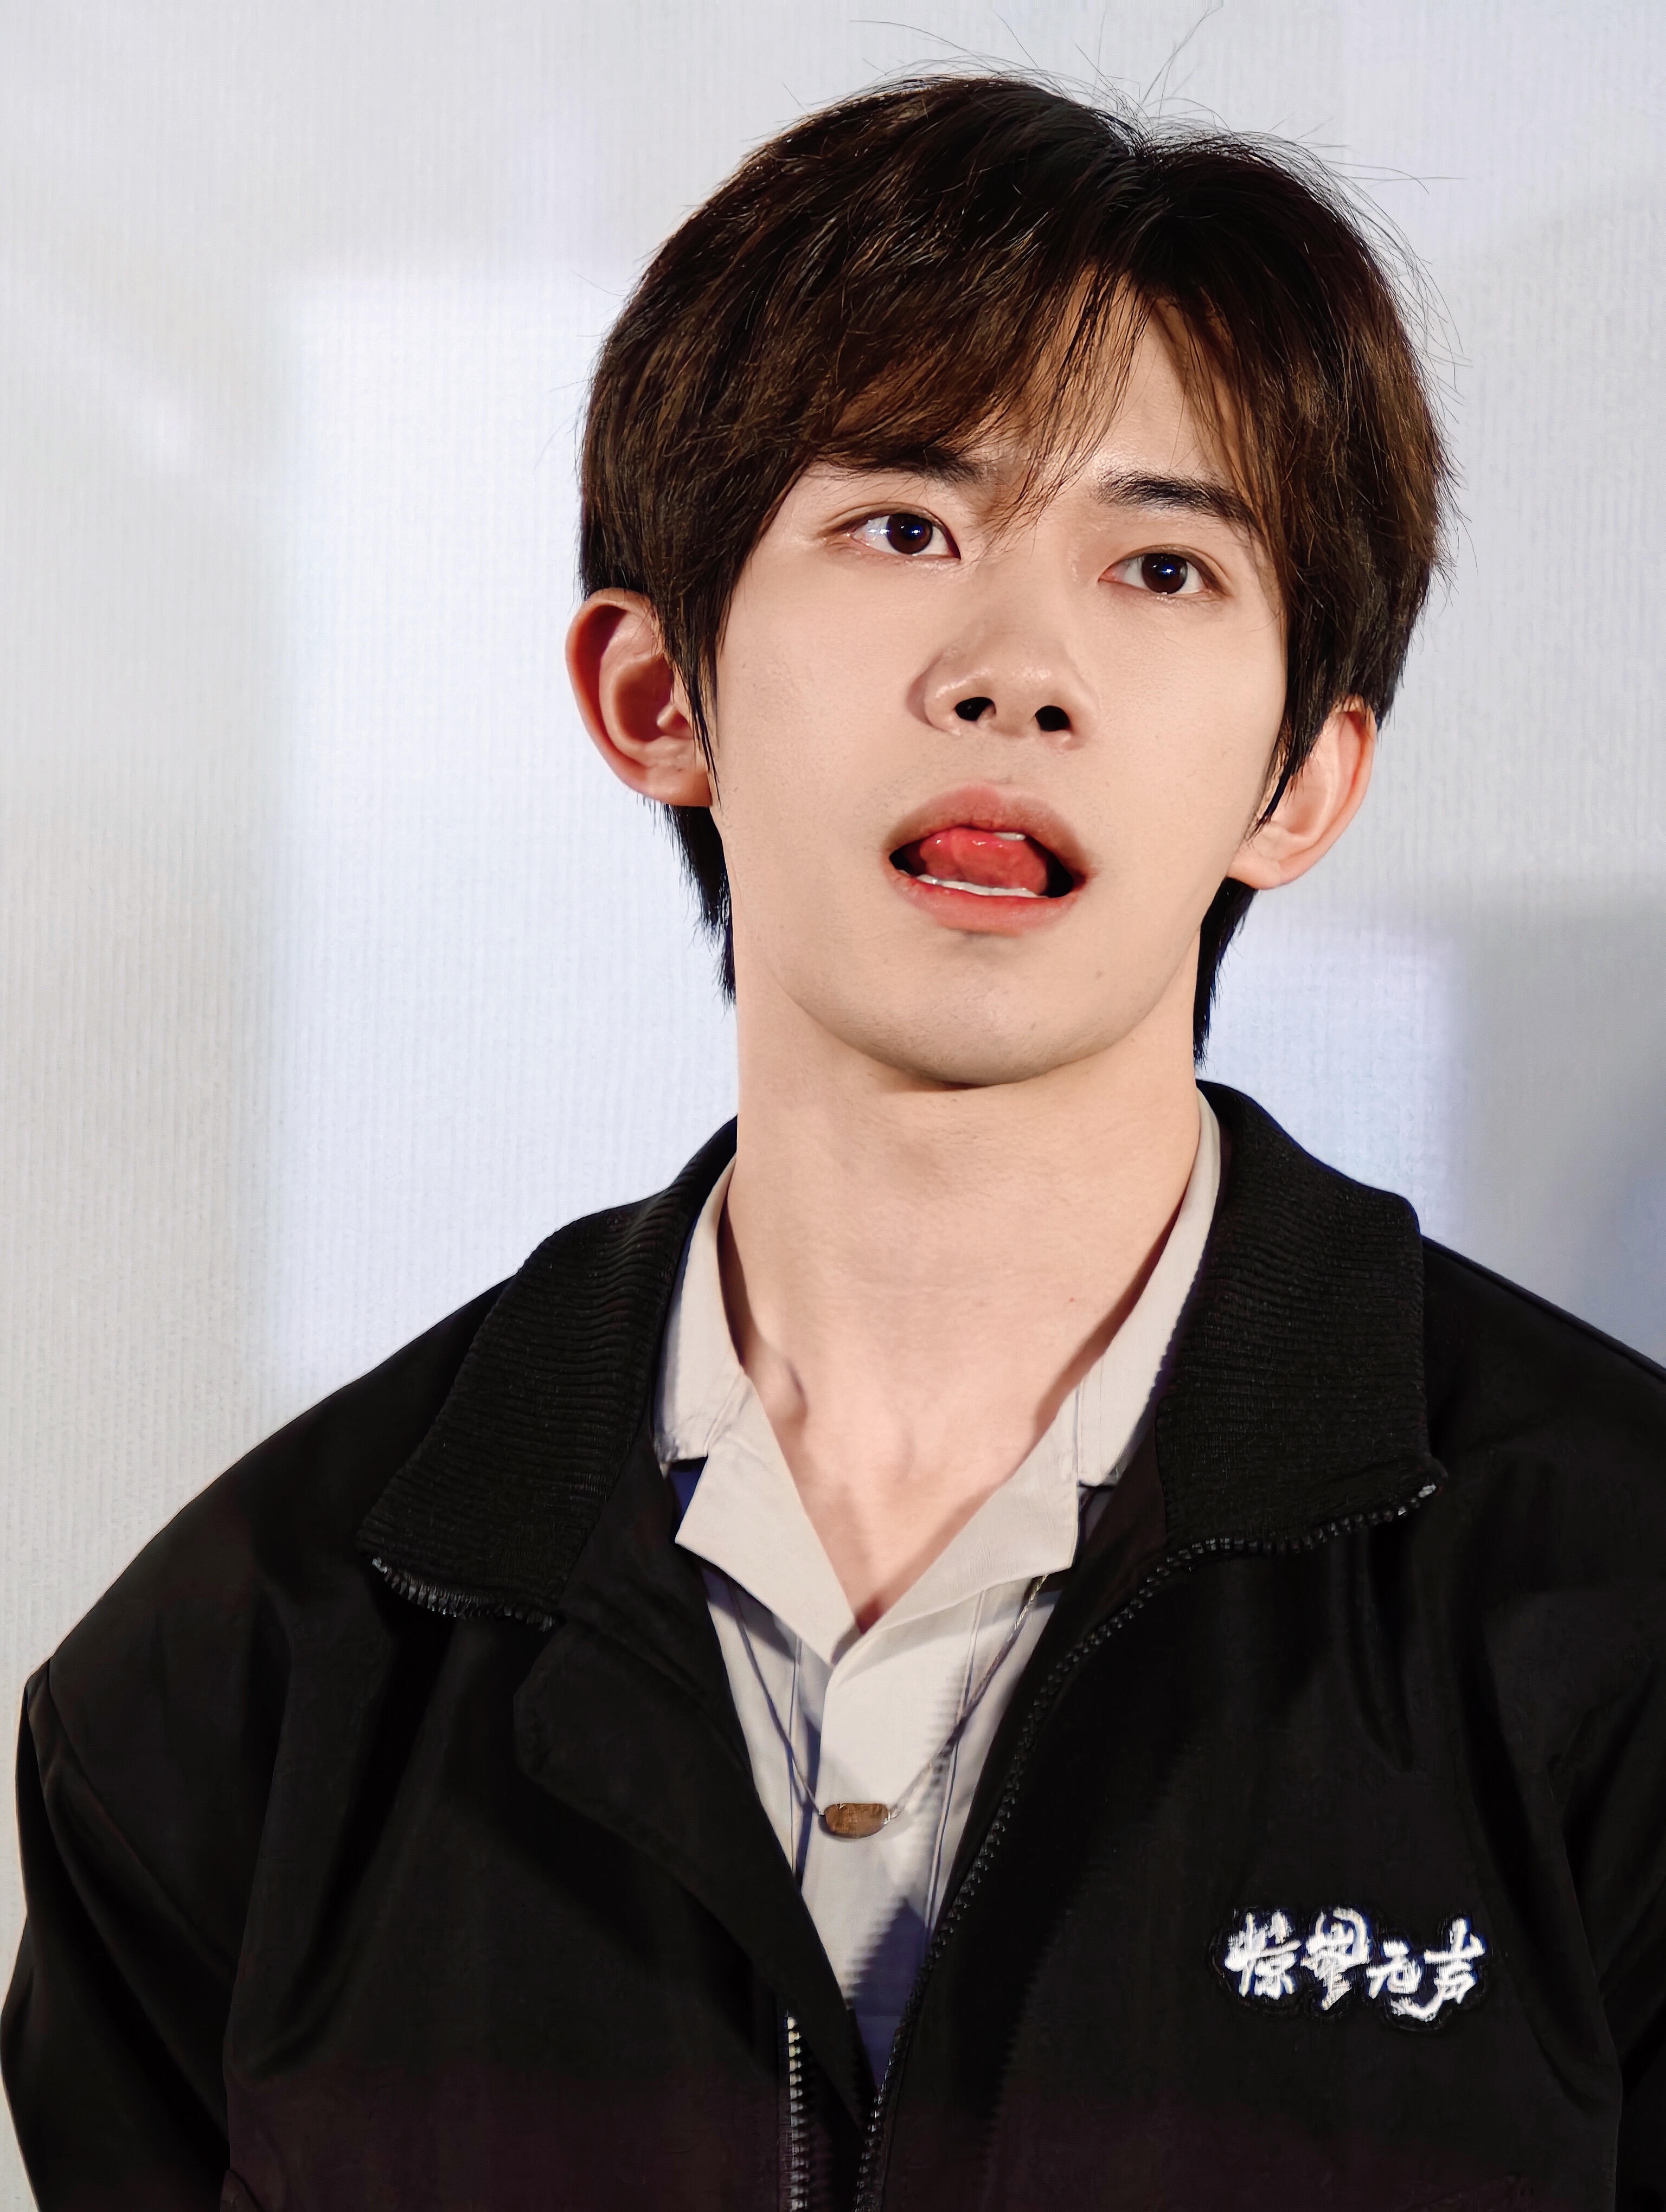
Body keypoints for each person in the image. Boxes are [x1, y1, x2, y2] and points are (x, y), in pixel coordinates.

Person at [5, 70, 1665, 2212]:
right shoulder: (239, 1674)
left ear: (1305, 780)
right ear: (654, 695)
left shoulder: (1611, 1613)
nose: (1017, 672)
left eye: (1162, 564)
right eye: (905, 529)